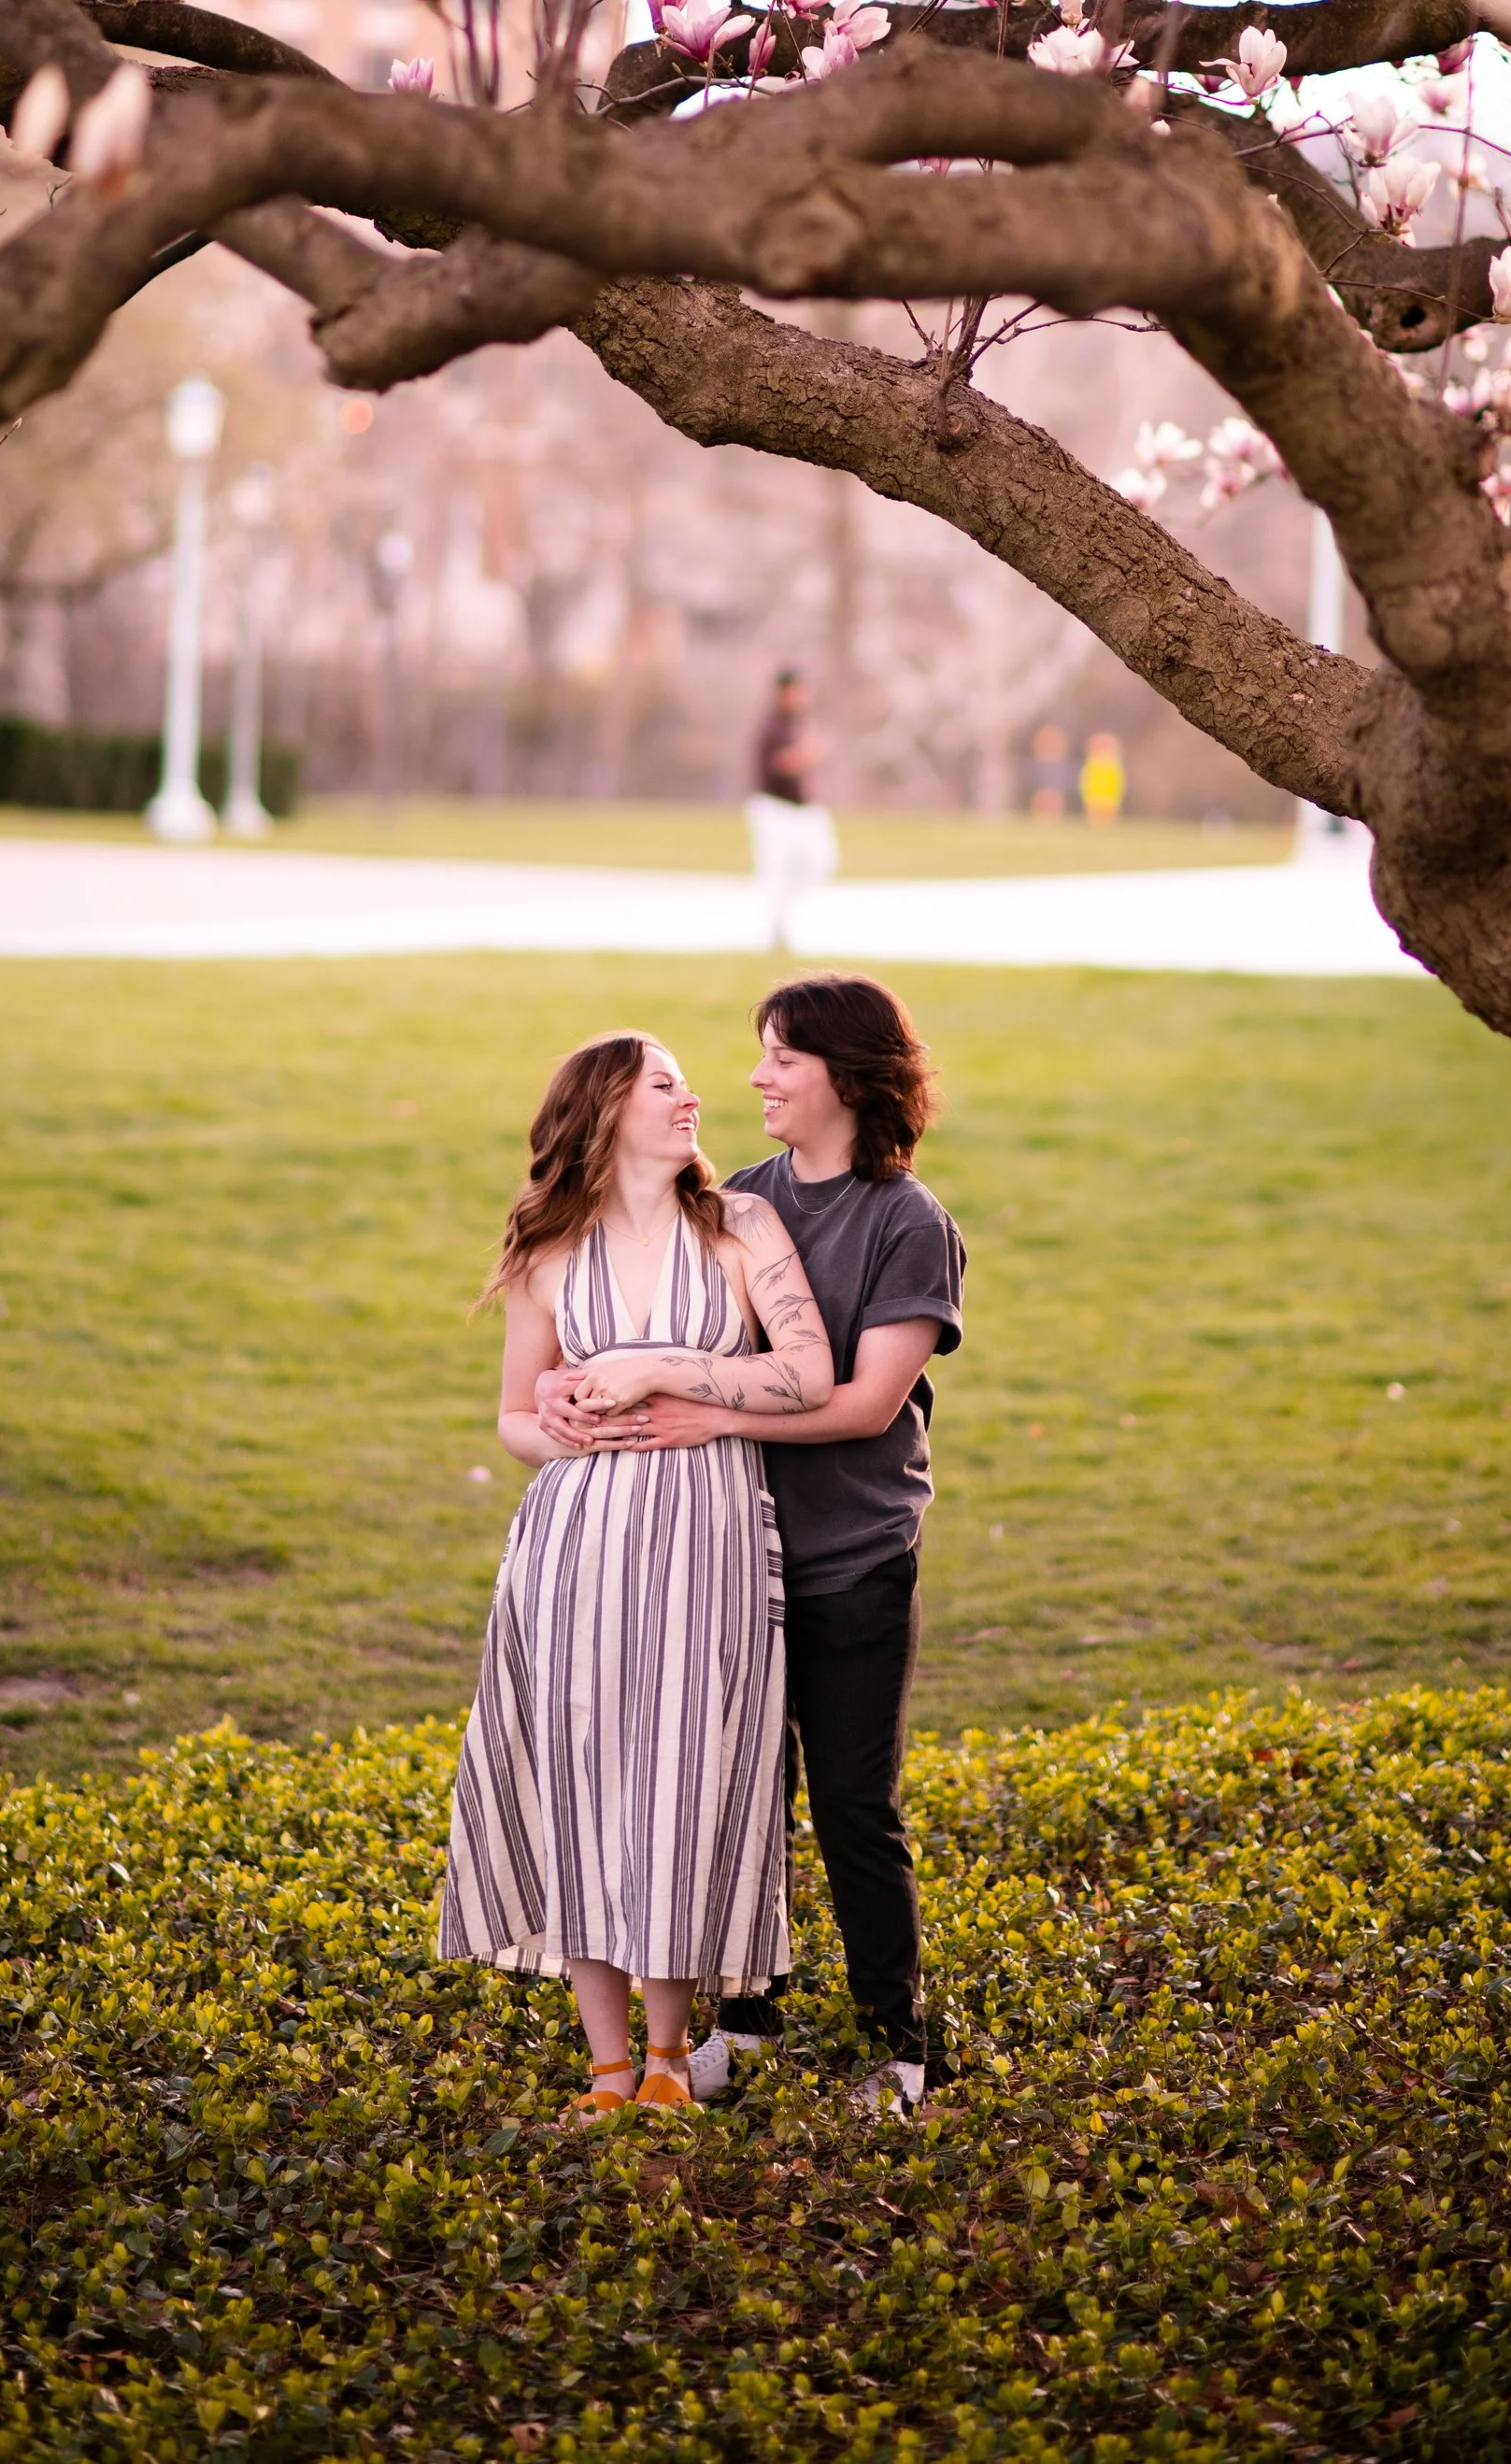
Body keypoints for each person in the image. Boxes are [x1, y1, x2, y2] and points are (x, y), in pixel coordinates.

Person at [541, 975, 963, 2115]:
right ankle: (747, 2022)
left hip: (851, 1558)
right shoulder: (743, 1202)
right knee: (734, 1796)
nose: (757, 1077)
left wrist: (708, 1413)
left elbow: (868, 1403)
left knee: (851, 1803)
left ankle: (899, 2043)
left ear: (849, 1076)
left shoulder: (905, 1223)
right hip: (724, 1555)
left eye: (780, 1057)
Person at [437, 1033, 834, 2118]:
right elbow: (516, 1418)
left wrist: (657, 1365)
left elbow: (807, 1373)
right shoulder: (547, 1248)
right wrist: (559, 1424)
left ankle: (671, 2055)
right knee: (582, 1781)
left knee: (682, 1781)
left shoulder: (739, 1227)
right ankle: (610, 2066)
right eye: (666, 1084)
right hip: (576, 1550)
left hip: (708, 1539)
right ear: (607, 1109)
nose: (694, 1096)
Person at [746, 665, 840, 949]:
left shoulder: (801, 723)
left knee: (821, 862)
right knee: (774, 869)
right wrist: (810, 752)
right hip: (775, 808)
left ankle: (787, 914)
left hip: (804, 809)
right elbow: (781, 764)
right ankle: (775, 928)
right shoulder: (773, 726)